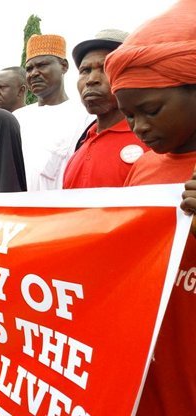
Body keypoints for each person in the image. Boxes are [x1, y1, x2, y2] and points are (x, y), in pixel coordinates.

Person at [104, 0, 196, 413]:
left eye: (151, 110)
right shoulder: (142, 169)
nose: (139, 128)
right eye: (129, 116)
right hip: (151, 374)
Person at [63, 29, 149, 189]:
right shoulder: (80, 147)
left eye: (105, 68)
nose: (91, 80)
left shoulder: (153, 142)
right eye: (85, 70)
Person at [13, 34, 95, 191]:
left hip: (64, 208)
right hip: (20, 210)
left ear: (64, 66)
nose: (33, 73)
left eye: (42, 65)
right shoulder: (18, 118)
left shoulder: (85, 115)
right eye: (29, 69)